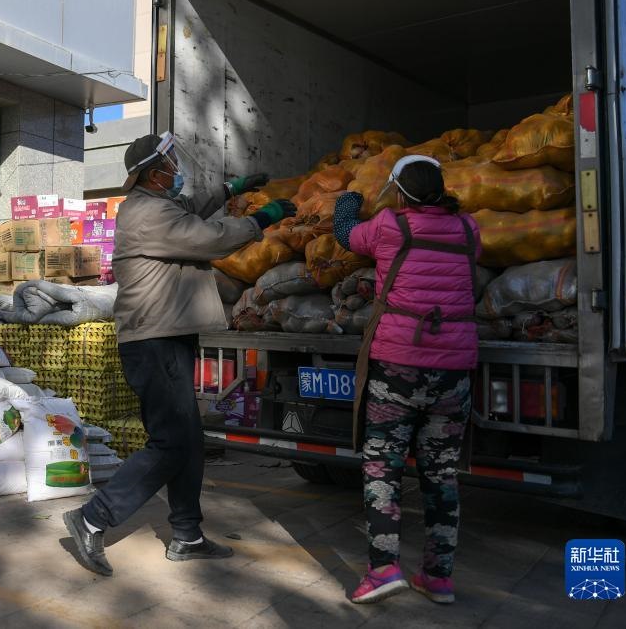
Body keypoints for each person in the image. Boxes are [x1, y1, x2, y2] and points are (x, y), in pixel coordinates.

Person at [62, 132, 296, 576]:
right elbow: (208, 237)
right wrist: (261, 219)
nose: (177, 169)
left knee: (187, 441)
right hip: (154, 341)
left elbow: (192, 209)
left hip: (167, 336)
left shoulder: (156, 206)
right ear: (154, 175)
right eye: (170, 163)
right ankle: (93, 517)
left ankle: (187, 535)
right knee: (172, 442)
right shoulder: (149, 214)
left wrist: (228, 190)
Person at [332, 155, 481, 605]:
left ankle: (383, 570)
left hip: (398, 366)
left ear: (400, 193)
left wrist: (347, 203)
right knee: (441, 473)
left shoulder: (390, 226)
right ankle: (438, 578)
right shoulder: (469, 229)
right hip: (453, 370)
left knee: (382, 466)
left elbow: (347, 236)